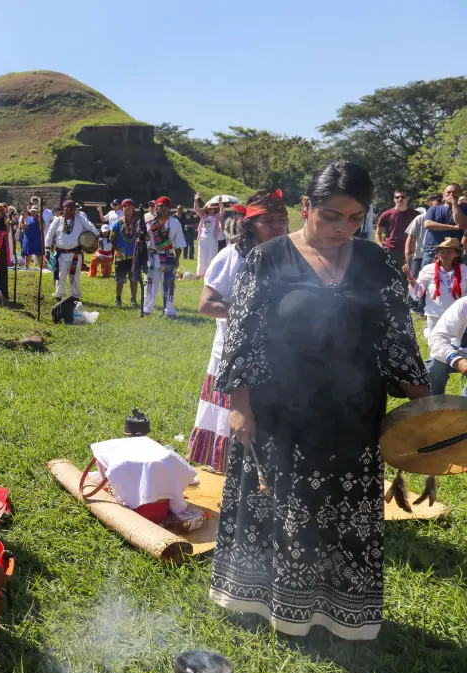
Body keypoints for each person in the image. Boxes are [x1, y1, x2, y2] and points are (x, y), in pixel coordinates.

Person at [210, 161, 429, 640]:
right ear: (305, 208)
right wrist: (240, 405)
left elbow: (398, 339)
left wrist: (429, 417)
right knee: (283, 507)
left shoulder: (377, 263)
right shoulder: (267, 258)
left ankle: (340, 614)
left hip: (354, 412)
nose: (342, 229)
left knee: (343, 510)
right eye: (331, 216)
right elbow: (244, 337)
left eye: (355, 219)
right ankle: (266, 602)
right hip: (279, 413)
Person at [187, 189, 289, 473]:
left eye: (281, 219)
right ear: (250, 224)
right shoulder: (231, 256)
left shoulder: (290, 256)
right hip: (233, 354)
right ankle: (226, 468)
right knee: (232, 415)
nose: (277, 226)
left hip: (277, 354)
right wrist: (250, 313)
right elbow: (207, 305)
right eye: (267, 220)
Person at [45, 200, 99, 301]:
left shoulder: (80, 219)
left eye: (71, 208)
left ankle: (75, 296)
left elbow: (91, 227)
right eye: (66, 208)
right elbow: (49, 234)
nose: (69, 210)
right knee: (61, 275)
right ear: (63, 210)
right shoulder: (57, 220)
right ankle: (59, 294)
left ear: (75, 210)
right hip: (61, 254)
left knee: (74, 276)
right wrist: (47, 249)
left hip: (75, 254)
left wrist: (98, 237)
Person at [412, 237, 467, 333]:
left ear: (455, 254)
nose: (445, 254)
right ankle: (427, 330)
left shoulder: (463, 270)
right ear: (438, 254)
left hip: (457, 315)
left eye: (449, 252)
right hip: (435, 314)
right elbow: (418, 293)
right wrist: (411, 280)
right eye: (442, 252)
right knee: (435, 341)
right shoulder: (429, 269)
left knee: (455, 344)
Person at [143, 197, 186, 317]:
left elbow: (178, 243)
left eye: (165, 206)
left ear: (169, 208)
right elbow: (145, 239)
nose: (162, 208)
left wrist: (177, 259)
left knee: (168, 285)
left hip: (168, 258)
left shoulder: (175, 222)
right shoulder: (150, 222)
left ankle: (169, 309)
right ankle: (147, 309)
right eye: (159, 206)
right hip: (153, 257)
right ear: (156, 208)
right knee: (150, 284)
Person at [425, 296, 467, 396]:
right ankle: (432, 402)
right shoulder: (463, 305)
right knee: (436, 363)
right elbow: (438, 337)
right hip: (461, 351)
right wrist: (457, 361)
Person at [404, 194, 443, 295]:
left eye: (442, 200)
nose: (441, 202)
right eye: (438, 200)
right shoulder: (420, 218)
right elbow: (410, 237)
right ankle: (413, 306)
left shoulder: (444, 217)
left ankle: (423, 306)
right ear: (430, 203)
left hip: (438, 256)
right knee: (414, 281)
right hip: (419, 255)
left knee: (432, 283)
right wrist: (407, 256)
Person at [422, 183, 467, 263]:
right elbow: (427, 224)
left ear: (460, 194)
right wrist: (452, 227)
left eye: (455, 192)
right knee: (428, 275)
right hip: (432, 251)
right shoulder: (434, 209)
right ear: (443, 195)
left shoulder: (464, 208)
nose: (451, 194)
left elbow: (460, 222)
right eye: (448, 192)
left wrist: (454, 204)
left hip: (454, 252)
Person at [374, 188, 417, 269]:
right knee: (389, 275)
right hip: (390, 249)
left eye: (403, 197)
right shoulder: (386, 214)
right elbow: (378, 233)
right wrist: (380, 246)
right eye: (397, 197)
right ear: (394, 199)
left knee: (407, 277)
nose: (400, 199)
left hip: (409, 251)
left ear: (408, 198)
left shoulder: (415, 215)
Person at [111, 199, 141, 306]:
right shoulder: (117, 224)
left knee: (134, 279)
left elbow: (144, 237)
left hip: (134, 255)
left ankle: (133, 299)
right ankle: (118, 299)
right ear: (122, 209)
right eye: (125, 206)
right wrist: (117, 250)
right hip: (121, 255)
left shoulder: (138, 223)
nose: (127, 208)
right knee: (120, 279)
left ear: (133, 208)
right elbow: (112, 238)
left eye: (129, 206)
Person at [194, 192, 225, 277]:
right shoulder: (203, 216)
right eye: (209, 209)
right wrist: (196, 200)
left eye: (212, 209)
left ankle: (210, 273)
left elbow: (222, 212)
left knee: (211, 256)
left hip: (213, 239)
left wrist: (220, 202)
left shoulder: (216, 217)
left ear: (214, 210)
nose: (211, 210)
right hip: (203, 238)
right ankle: (201, 273)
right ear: (207, 210)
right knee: (202, 256)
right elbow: (196, 210)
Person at [21, 204, 44, 269]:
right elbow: (23, 228)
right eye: (32, 211)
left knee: (38, 253)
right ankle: (27, 267)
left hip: (36, 238)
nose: (33, 212)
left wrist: (39, 222)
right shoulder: (28, 218)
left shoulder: (40, 219)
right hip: (28, 238)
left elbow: (42, 228)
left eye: (35, 211)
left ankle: (41, 268)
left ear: (37, 212)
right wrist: (22, 219)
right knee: (28, 253)